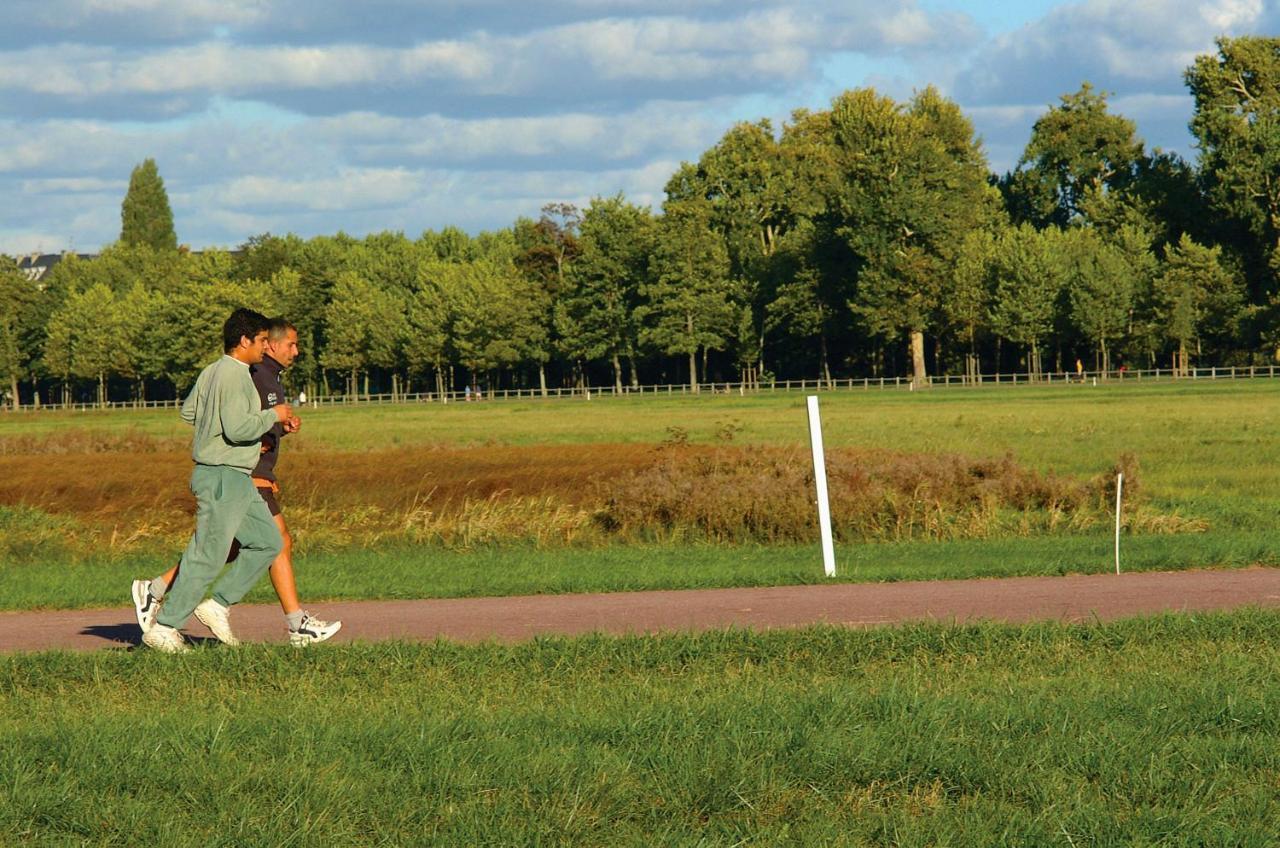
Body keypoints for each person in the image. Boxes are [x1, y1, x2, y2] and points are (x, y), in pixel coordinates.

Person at [133, 317, 341, 648]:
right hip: (221, 474)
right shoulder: (236, 376)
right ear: (244, 341)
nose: (264, 346)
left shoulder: (211, 371)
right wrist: (274, 416)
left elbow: (189, 414)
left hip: (236, 476)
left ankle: (216, 605)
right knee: (210, 555)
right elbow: (237, 430)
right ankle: (165, 626)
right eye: (260, 340)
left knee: (268, 542)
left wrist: (217, 428)